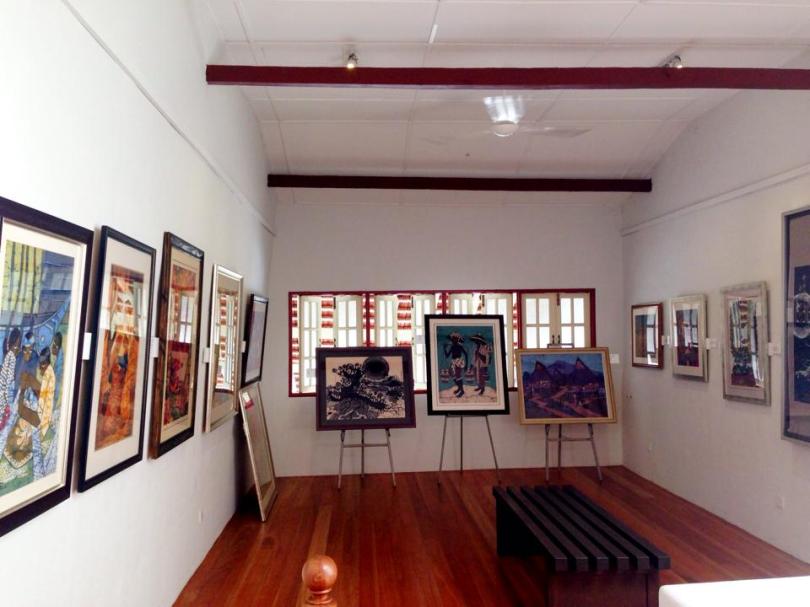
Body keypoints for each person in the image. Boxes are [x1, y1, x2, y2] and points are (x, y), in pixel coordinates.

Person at [0, 329, 21, 432]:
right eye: (17, 344)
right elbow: (7, 382)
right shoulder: (11, 357)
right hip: (6, 396)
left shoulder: (9, 354)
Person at [443, 332, 468, 398]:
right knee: (452, 375)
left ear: (457, 339)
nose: (453, 340)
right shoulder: (452, 346)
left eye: (455, 339)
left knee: (458, 376)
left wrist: (466, 365)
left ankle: (462, 391)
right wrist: (444, 348)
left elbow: (466, 354)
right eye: (453, 339)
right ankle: (459, 388)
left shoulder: (459, 346)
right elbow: (447, 355)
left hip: (458, 362)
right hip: (453, 362)